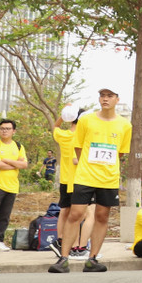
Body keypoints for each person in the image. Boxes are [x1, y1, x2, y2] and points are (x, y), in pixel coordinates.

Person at [50, 83, 132, 274]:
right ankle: (63, 259)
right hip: (85, 177)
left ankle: (92, 259)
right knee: (76, 214)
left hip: (109, 179)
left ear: (117, 99)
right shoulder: (86, 120)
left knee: (102, 216)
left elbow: (120, 153)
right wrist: (88, 163)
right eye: (102, 95)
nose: (105, 98)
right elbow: (78, 146)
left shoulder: (125, 125)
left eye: (110, 95)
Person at [51, 104, 94, 261]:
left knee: (66, 212)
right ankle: (77, 247)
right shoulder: (81, 137)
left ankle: (62, 241)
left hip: (66, 179)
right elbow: (77, 159)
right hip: (80, 180)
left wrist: (64, 114)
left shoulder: (64, 135)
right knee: (84, 215)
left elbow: (55, 126)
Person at [0, 118, 27, 251]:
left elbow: (24, 164)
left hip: (12, 186)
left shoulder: (18, 146)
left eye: (7, 129)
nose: (4, 131)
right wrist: (14, 163)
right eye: (2, 129)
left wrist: (6, 160)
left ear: (13, 131)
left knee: (4, 216)